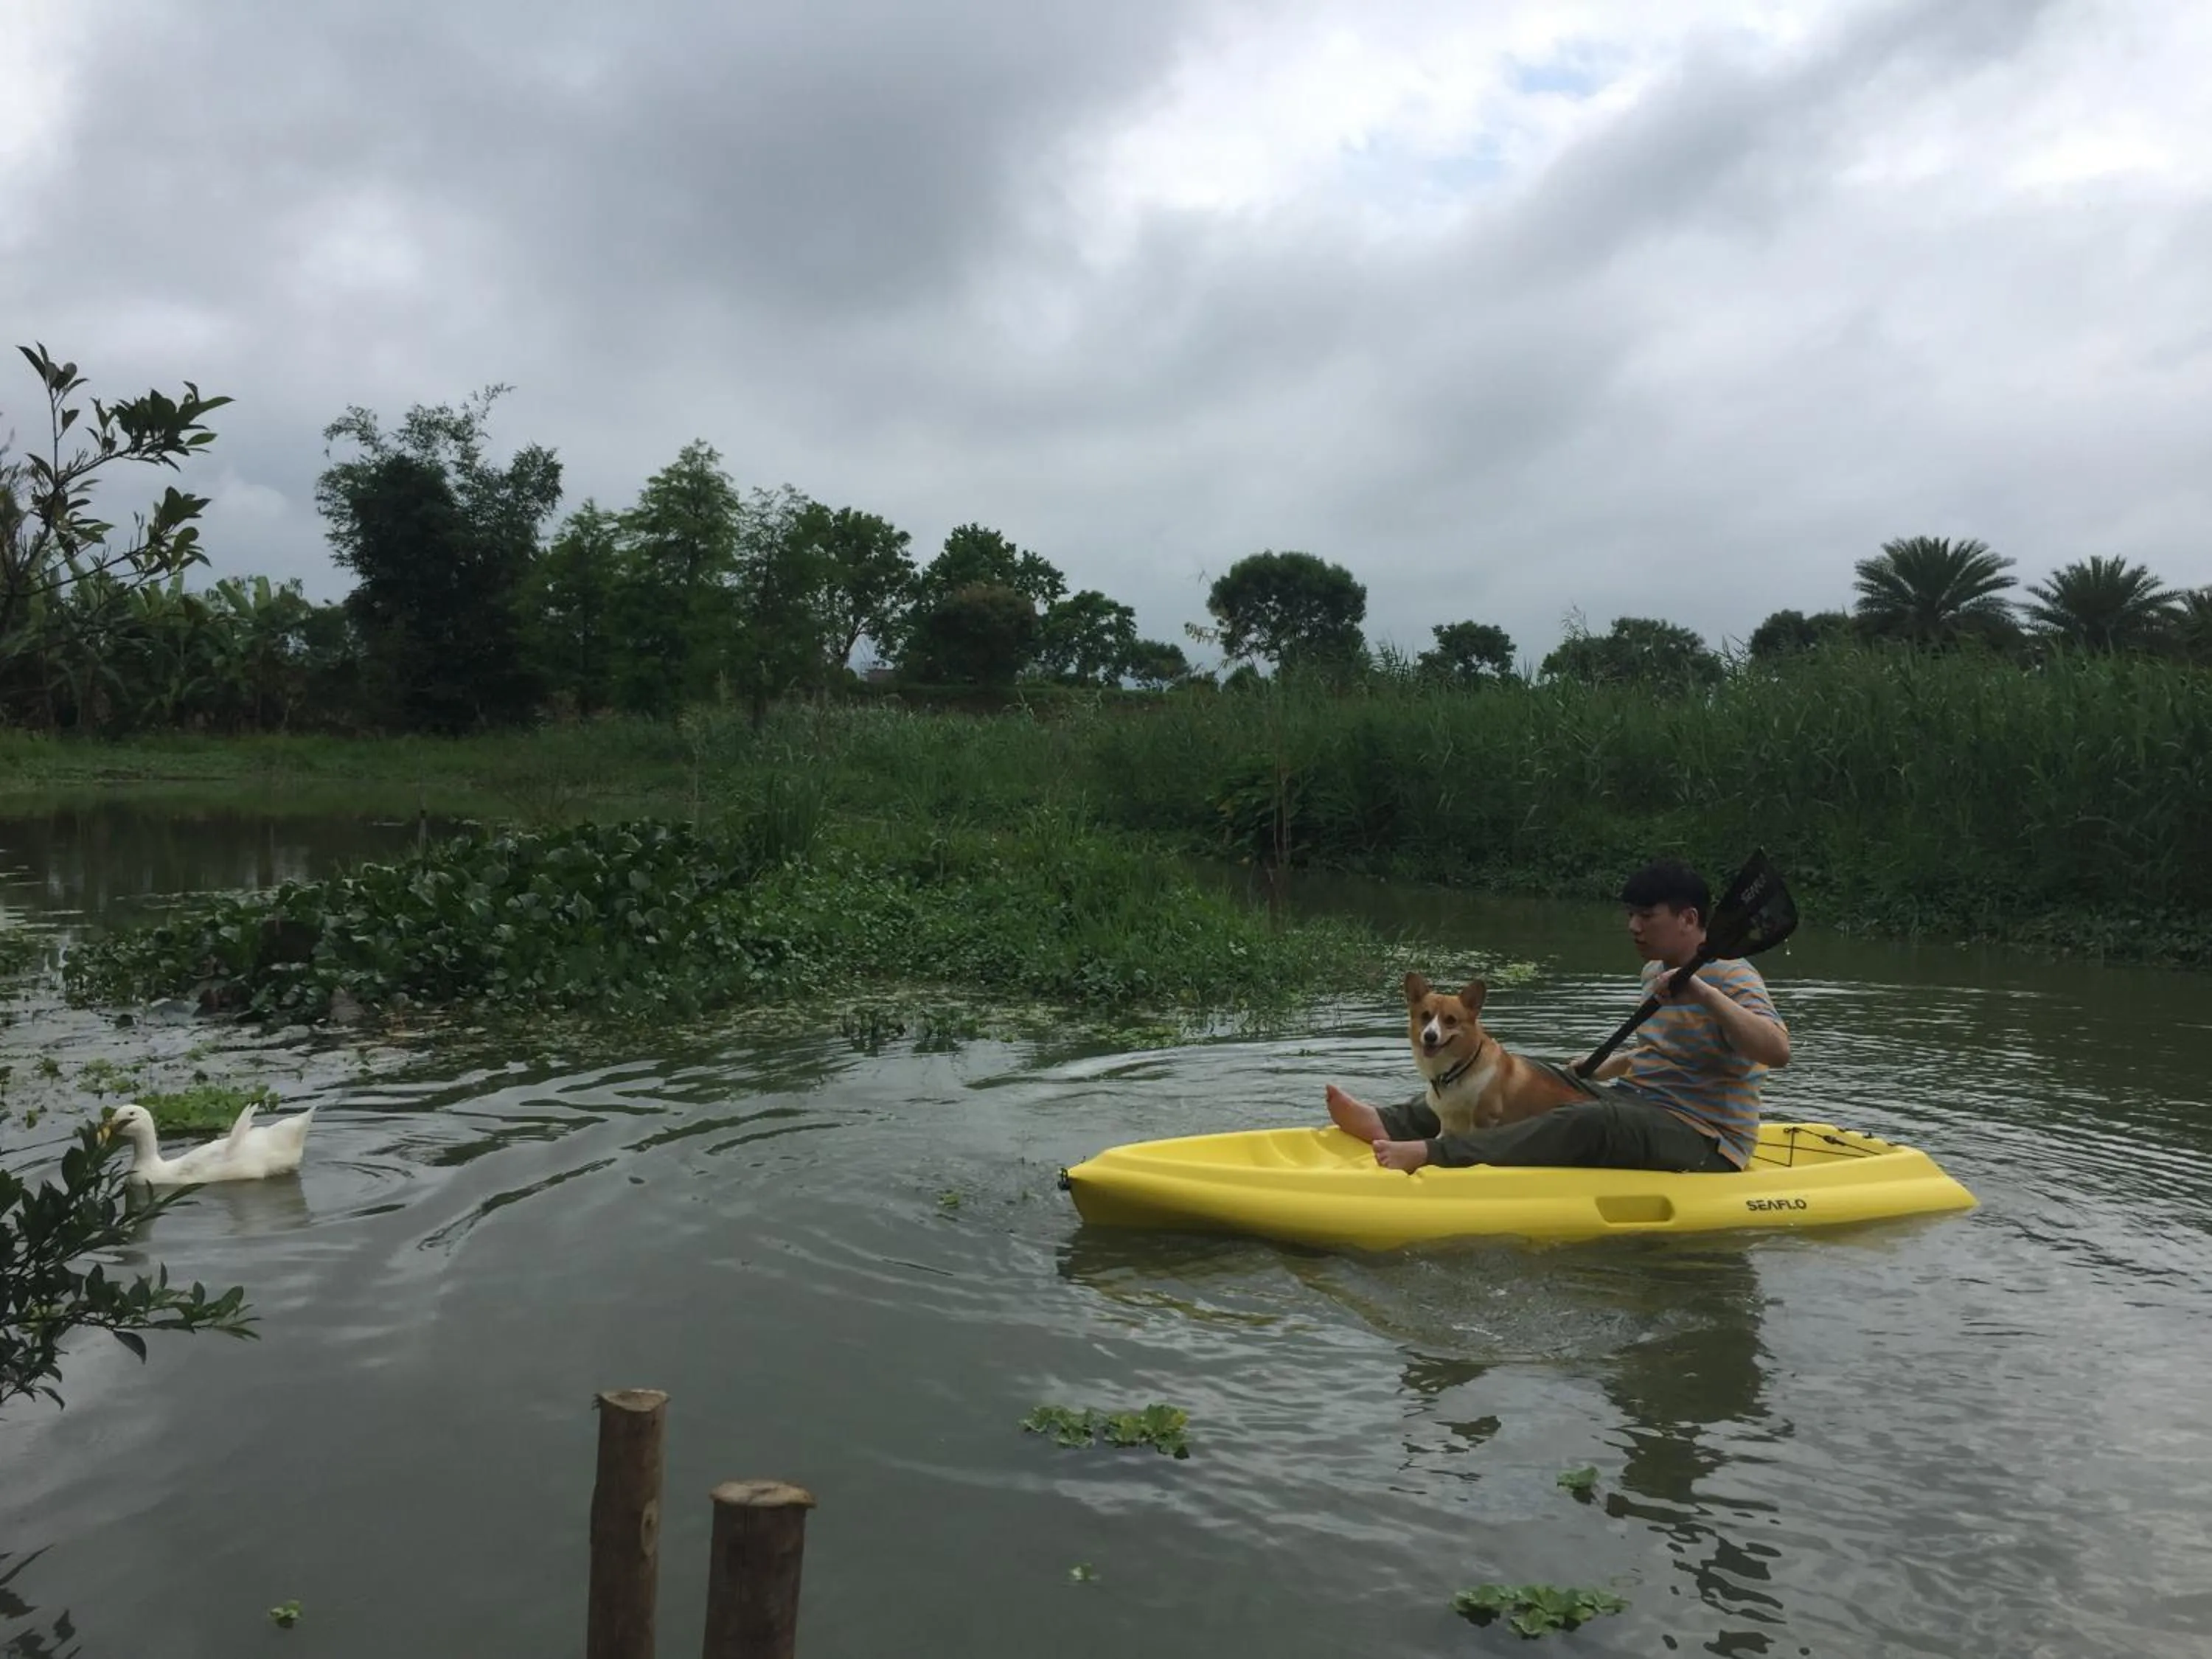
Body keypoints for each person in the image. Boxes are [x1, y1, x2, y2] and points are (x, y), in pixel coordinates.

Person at [1324, 858, 1790, 1174]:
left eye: (1646, 915)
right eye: (1630, 914)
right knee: (1516, 1071)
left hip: (1706, 1137)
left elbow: (1777, 1050)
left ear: (1689, 919)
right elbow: (1656, 1053)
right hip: (1640, 1103)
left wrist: (1704, 993)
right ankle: (1392, 1122)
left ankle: (1435, 1153)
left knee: (1591, 1120)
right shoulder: (1654, 972)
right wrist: (1598, 1067)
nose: (1633, 926)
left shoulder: (1732, 975)